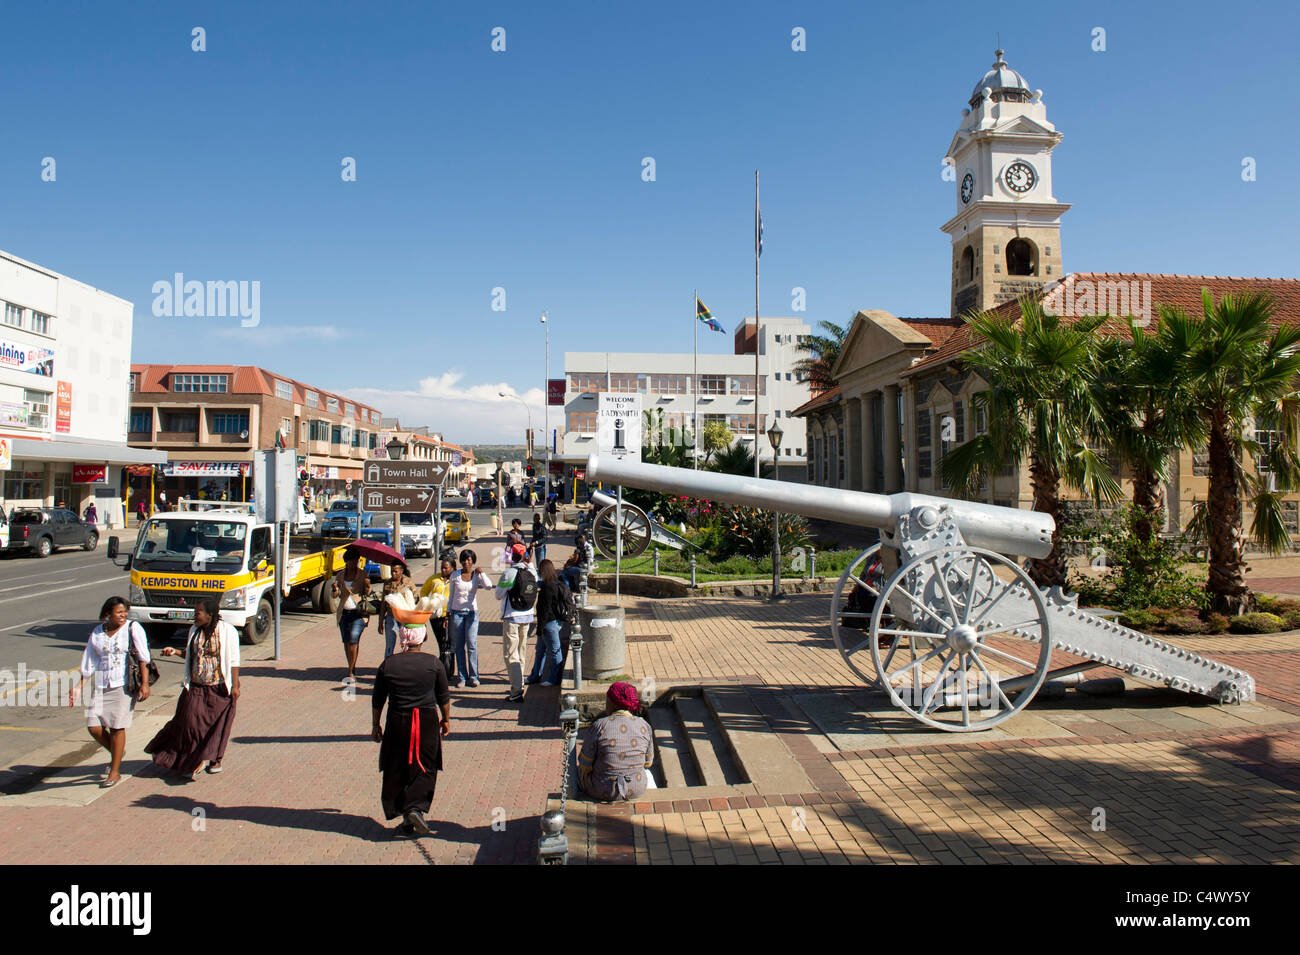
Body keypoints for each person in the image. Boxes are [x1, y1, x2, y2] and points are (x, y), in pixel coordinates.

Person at [146, 596, 241, 779]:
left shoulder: (227, 631)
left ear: (210, 615)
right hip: (196, 687)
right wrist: (175, 652)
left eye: (198, 613)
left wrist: (235, 685)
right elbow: (192, 654)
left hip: (219, 688)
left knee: (216, 727)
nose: (194, 616)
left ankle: (214, 759)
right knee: (189, 724)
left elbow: (234, 660)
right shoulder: (194, 631)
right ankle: (195, 760)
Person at [372, 622, 451, 835]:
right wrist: (446, 719)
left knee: (397, 764)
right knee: (424, 764)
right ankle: (415, 807)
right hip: (426, 721)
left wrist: (375, 725)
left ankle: (406, 813)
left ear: (402, 638)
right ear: (423, 639)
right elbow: (443, 697)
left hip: (397, 720)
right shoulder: (434, 664)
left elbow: (378, 699)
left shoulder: (388, 664)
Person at [74, 596, 151, 788]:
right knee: (94, 727)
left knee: (117, 727)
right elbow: (89, 660)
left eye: (125, 612)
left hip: (122, 685)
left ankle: (115, 772)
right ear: (108, 613)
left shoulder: (133, 629)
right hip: (101, 685)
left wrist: (145, 684)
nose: (123, 615)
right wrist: (79, 686)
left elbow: (143, 657)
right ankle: (116, 751)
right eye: (119, 612)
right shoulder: (98, 632)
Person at [577, 682, 655, 802]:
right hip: (637, 788)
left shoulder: (599, 725)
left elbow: (584, 764)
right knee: (648, 773)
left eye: (607, 700)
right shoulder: (644, 725)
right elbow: (648, 763)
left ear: (613, 704)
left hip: (601, 790)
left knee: (575, 773)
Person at [494, 543, 537, 702]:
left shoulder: (509, 574)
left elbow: (498, 595)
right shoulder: (532, 571)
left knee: (511, 654)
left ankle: (517, 690)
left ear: (512, 556)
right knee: (522, 651)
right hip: (527, 616)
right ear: (525, 556)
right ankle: (520, 683)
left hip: (511, 617)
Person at [446, 548, 493, 688]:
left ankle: (474, 676)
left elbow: (489, 586)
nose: (467, 562)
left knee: (472, 644)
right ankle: (462, 676)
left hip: (472, 614)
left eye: (469, 560)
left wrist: (482, 573)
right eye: (464, 560)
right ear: (460, 561)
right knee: (459, 646)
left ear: (473, 561)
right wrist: (448, 613)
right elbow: (451, 595)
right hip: (456, 613)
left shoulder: (476, 575)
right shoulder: (455, 575)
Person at [526, 559, 571, 687]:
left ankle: (554, 678)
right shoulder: (556, 583)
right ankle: (535, 676)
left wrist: (540, 628)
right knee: (540, 650)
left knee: (554, 651)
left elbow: (544, 610)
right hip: (556, 621)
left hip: (548, 624)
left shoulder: (547, 588)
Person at [333, 548, 372, 684]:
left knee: (353, 639)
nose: (354, 563)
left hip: (358, 613)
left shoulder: (363, 574)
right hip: (344, 612)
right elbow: (335, 595)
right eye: (351, 561)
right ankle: (352, 665)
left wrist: (367, 586)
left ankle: (350, 671)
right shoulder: (340, 575)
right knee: (347, 641)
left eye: (356, 561)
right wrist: (335, 590)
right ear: (346, 562)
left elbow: (367, 593)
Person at [420, 557, 456, 680]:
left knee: (449, 643)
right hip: (435, 616)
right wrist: (429, 603)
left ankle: (448, 671)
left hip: (450, 615)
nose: (443, 570)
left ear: (453, 568)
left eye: (446, 567)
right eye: (442, 567)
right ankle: (444, 670)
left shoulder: (456, 579)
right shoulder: (434, 579)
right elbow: (424, 591)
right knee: (441, 643)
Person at [379, 561, 417, 659]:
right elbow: (383, 604)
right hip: (391, 617)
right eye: (392, 571)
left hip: (405, 618)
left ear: (401, 571)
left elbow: (416, 598)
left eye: (396, 571)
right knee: (389, 644)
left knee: (406, 644)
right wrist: (380, 622)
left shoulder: (408, 582)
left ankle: (404, 665)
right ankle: (387, 665)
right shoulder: (387, 583)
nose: (393, 574)